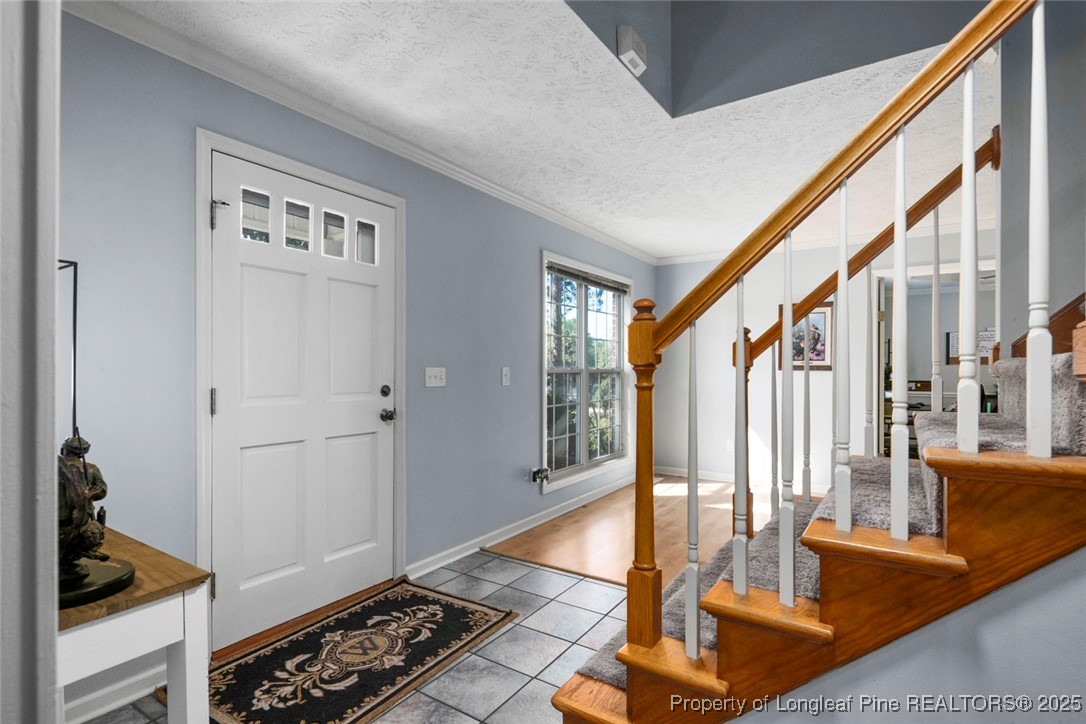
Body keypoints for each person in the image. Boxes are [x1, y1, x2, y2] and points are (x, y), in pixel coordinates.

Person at [58, 435, 110, 584]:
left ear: (64, 450)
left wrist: (86, 494)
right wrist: (91, 493)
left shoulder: (49, 466)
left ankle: (65, 564)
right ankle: (64, 563)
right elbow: (102, 491)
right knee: (92, 534)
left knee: (89, 534)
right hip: (77, 521)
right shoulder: (91, 469)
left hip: (66, 520)